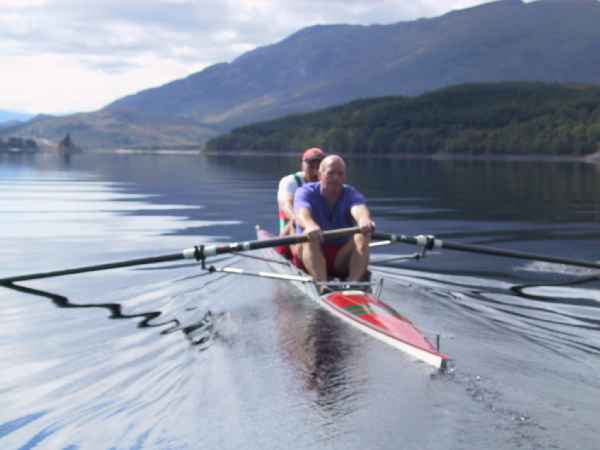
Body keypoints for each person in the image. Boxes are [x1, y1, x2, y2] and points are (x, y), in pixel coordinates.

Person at [293, 154, 375, 283]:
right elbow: (301, 212)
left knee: (363, 234)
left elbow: (359, 208)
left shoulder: (351, 193)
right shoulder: (305, 192)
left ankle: (353, 284)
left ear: (345, 177)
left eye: (340, 174)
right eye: (330, 173)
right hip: (310, 253)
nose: (336, 178)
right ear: (320, 175)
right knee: (309, 236)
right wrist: (309, 225)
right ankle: (322, 285)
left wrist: (364, 220)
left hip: (340, 258)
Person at [277, 147, 325, 236]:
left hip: (318, 229)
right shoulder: (290, 181)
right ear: (302, 166)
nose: (315, 172)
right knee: (294, 222)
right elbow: (286, 206)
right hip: (290, 230)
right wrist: (302, 222)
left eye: (318, 167)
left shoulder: (327, 183)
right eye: (311, 167)